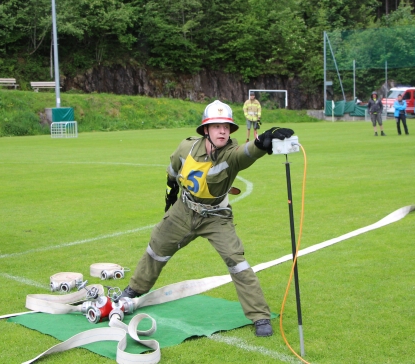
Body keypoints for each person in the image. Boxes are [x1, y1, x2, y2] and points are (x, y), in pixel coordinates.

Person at [120, 100, 294, 337]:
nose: (223, 130)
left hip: (216, 216)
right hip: (184, 210)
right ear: (206, 130)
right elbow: (173, 168)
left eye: (226, 126)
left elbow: (248, 152)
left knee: (236, 260)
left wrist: (262, 142)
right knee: (157, 246)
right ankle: (134, 290)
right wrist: (171, 189)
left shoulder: (231, 154)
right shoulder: (186, 148)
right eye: (216, 126)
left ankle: (260, 316)